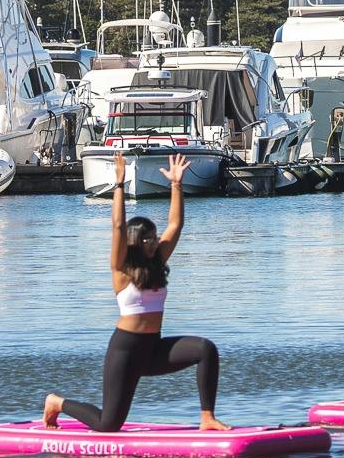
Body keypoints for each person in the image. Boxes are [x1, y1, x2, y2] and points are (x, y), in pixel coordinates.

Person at [43, 154, 225, 433]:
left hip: (153, 348)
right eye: (148, 238)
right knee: (108, 424)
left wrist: (176, 185)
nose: (155, 241)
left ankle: (207, 417)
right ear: (136, 241)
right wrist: (118, 184)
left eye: (155, 237)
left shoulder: (158, 261)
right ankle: (57, 403)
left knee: (205, 349)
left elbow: (175, 225)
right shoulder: (121, 269)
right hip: (125, 351)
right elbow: (117, 226)